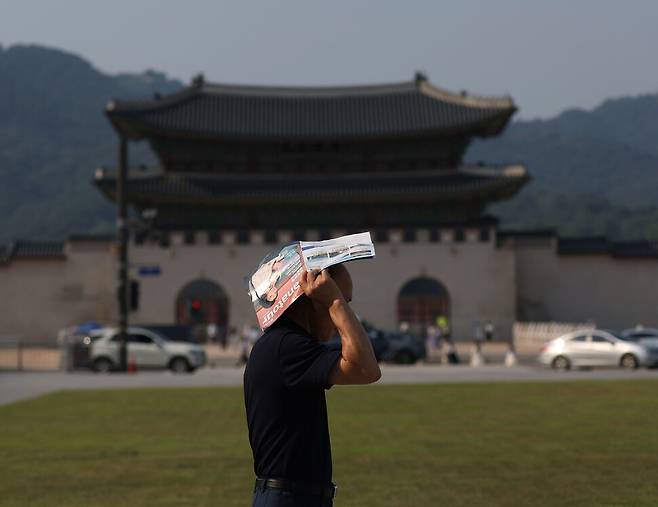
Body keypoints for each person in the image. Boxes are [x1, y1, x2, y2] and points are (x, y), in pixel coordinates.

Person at [244, 265, 381, 506]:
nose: (346, 310)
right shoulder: (287, 347)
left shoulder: (283, 344)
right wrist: (336, 303)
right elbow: (365, 369)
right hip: (290, 498)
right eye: (344, 300)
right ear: (312, 298)